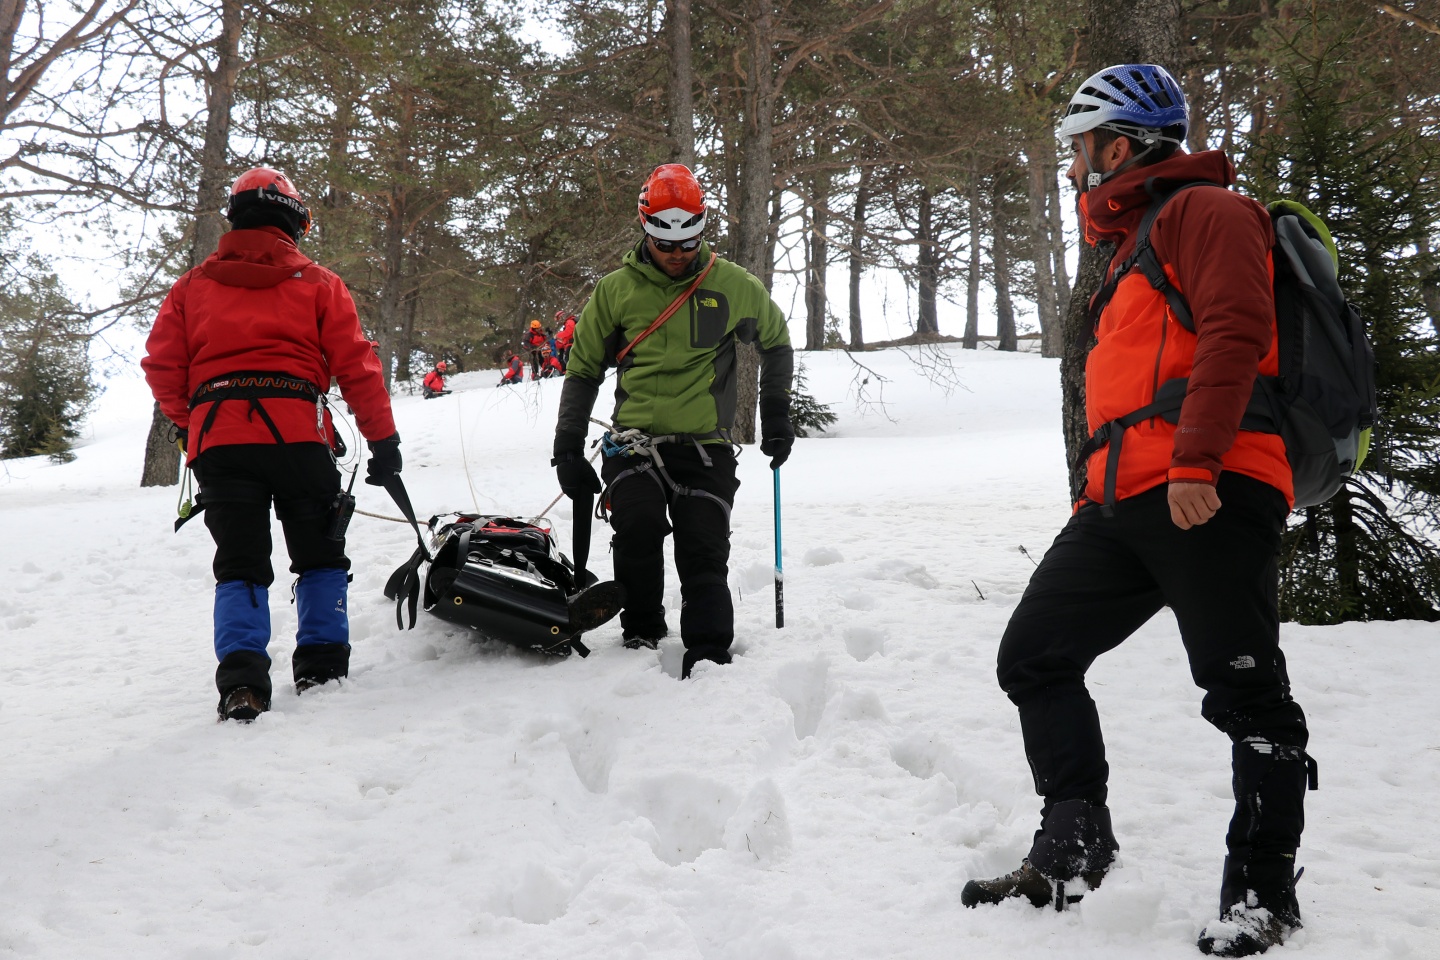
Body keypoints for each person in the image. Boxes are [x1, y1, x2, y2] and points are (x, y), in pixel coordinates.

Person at [959, 65, 1315, 958]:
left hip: (1210, 485)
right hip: (1122, 501)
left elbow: (1238, 329)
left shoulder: (1209, 212)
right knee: (1035, 655)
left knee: (1246, 693)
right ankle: (1075, 847)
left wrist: (1197, 458)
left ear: (1118, 145)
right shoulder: (1130, 244)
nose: (1076, 165)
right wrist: (1098, 489)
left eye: (1083, 147)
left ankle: (1263, 895)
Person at [142, 167, 403, 723]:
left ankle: (243, 684)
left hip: (221, 442)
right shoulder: (319, 283)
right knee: (319, 552)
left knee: (238, 563)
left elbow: (163, 366)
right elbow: (358, 367)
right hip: (297, 437)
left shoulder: (191, 287)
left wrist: (197, 423)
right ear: (295, 222)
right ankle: (322, 666)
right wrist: (383, 440)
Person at [552, 163, 794, 678]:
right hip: (634, 443)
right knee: (636, 526)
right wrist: (568, 447)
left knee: (703, 547)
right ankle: (642, 630)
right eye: (667, 245)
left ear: (702, 230)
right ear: (646, 231)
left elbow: (776, 343)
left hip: (706, 446)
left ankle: (708, 656)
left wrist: (775, 415)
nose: (678, 255)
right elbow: (583, 368)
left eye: (688, 243)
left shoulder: (733, 286)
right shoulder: (615, 291)